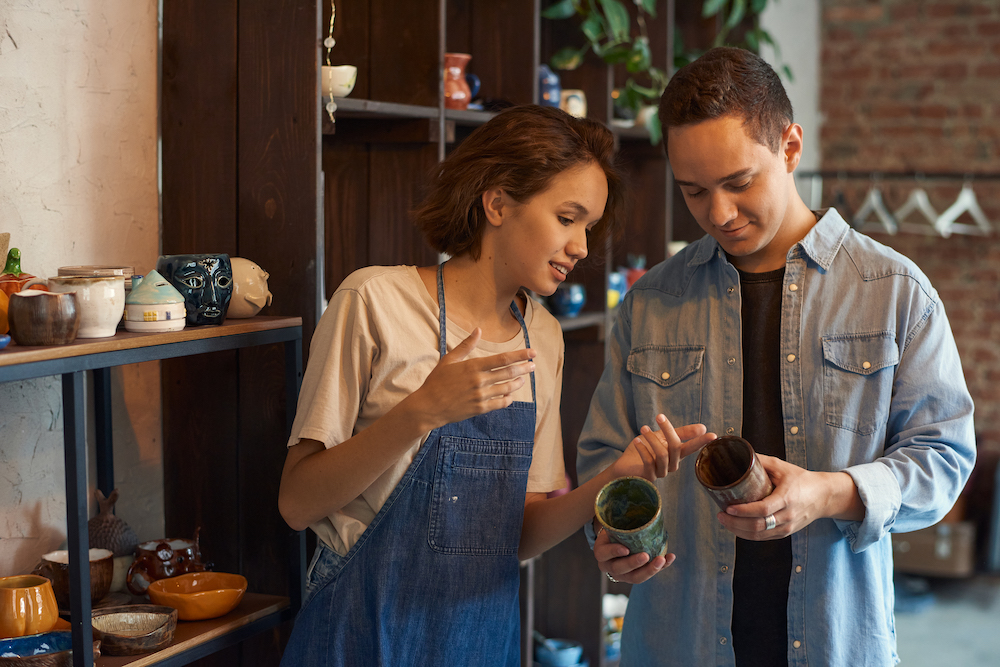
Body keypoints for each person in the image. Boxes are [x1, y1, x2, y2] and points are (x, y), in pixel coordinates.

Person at [576, 47, 976, 667]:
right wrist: (607, 534)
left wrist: (830, 493)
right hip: (677, 642)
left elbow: (944, 460)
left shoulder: (894, 292)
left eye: (739, 183)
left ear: (789, 147)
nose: (719, 213)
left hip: (835, 640)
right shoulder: (651, 301)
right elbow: (604, 460)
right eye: (694, 192)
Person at [276, 104, 715, 667]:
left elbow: (515, 538)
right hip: (361, 634)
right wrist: (422, 411)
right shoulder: (373, 302)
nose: (582, 245)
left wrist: (612, 477)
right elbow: (296, 503)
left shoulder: (544, 337)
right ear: (499, 201)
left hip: (481, 640)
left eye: (589, 226)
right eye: (567, 218)